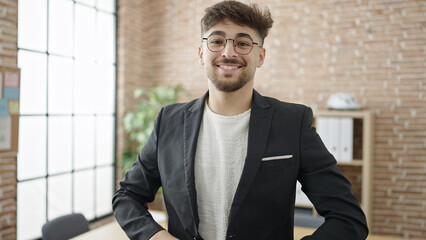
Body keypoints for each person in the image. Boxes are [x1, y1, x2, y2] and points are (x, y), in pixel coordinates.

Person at [112, 1, 369, 240]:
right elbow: (127, 196)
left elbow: (348, 219)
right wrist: (155, 237)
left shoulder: (292, 123)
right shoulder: (169, 120)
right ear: (202, 53)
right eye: (217, 41)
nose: (228, 52)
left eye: (243, 43)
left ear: (261, 56)